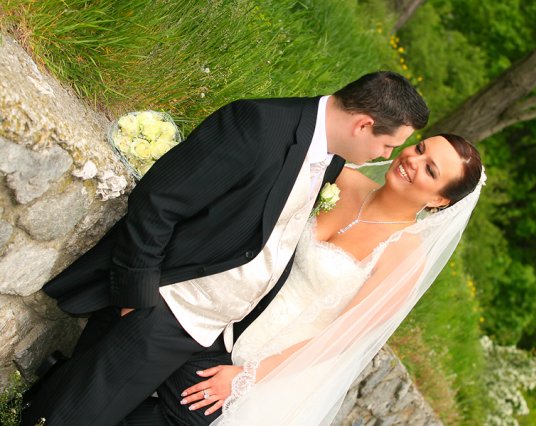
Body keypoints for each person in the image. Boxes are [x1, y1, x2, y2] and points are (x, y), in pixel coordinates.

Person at [20, 71, 429, 426]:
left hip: (217, 330)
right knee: (75, 418)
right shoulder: (258, 124)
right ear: (364, 125)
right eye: (389, 145)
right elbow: (158, 200)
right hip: (169, 305)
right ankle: (52, 398)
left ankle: (54, 386)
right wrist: (136, 297)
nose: (387, 156)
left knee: (197, 416)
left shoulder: (331, 161)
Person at [124, 134, 485, 425]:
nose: (413, 161)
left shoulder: (404, 257)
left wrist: (246, 377)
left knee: (174, 408)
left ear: (439, 200)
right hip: (223, 314)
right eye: (420, 149)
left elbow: (342, 338)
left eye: (430, 170)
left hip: (272, 367)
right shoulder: (343, 179)